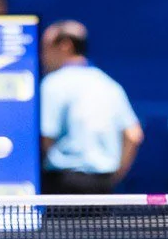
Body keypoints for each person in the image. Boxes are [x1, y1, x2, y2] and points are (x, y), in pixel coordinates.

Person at [40, 21, 145, 194]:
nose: (42, 56)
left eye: (46, 48)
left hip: (63, 184)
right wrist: (114, 177)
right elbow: (134, 135)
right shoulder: (109, 85)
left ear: (65, 46)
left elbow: (46, 138)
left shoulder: (52, 83)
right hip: (102, 184)